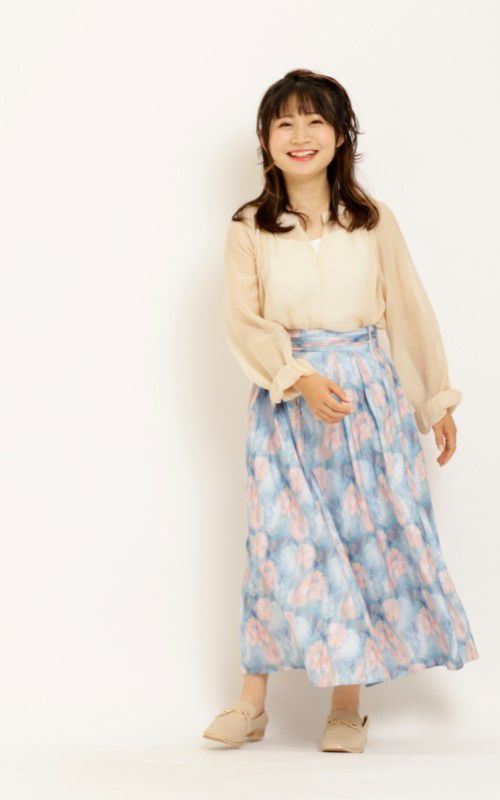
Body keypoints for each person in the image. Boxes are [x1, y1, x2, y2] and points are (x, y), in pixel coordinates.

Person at [203, 68, 478, 753]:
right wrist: (298, 379)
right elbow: (245, 320)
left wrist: (434, 398)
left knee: (361, 541)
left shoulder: (372, 221)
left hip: (368, 400)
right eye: (284, 123)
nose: (300, 136)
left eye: (315, 121)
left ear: (340, 134)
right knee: (279, 546)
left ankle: (347, 707)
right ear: (266, 140)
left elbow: (408, 310)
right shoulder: (249, 227)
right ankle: (252, 700)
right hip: (286, 401)